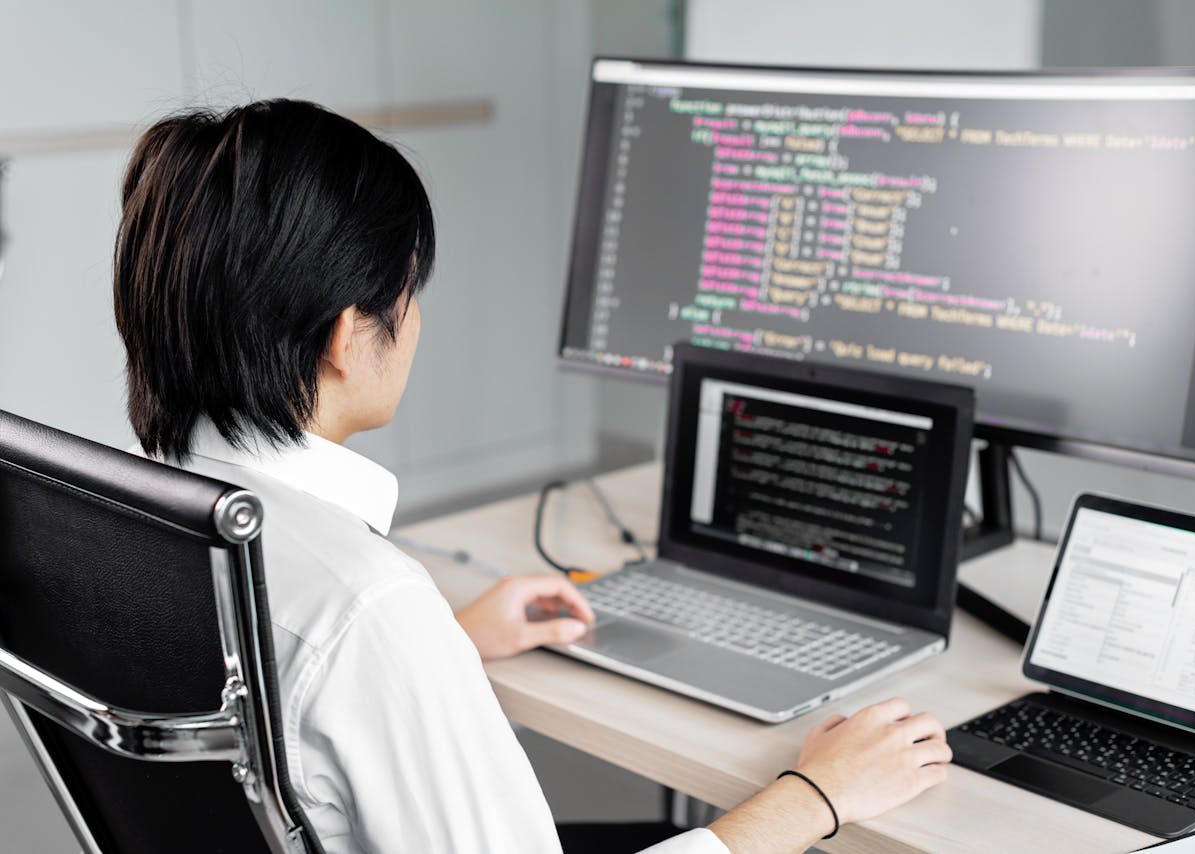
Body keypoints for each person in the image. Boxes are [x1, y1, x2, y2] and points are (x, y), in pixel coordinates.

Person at [112, 99, 951, 854]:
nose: (415, 319)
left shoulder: (126, 517)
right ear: (345, 336)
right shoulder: (367, 608)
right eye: (408, 292)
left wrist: (445, 646)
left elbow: (279, 698)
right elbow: (347, 635)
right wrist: (817, 795)